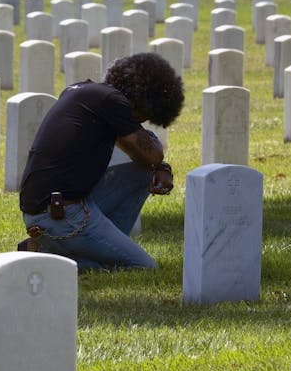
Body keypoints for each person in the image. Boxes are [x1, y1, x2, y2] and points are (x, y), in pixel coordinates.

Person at [19, 53, 185, 271]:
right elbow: (151, 154)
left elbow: (147, 162)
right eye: (144, 116)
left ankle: (105, 245)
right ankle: (45, 256)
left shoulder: (83, 92)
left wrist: (160, 167)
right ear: (139, 100)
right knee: (143, 266)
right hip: (62, 215)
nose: (142, 122)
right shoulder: (113, 102)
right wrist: (160, 162)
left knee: (143, 173)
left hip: (54, 206)